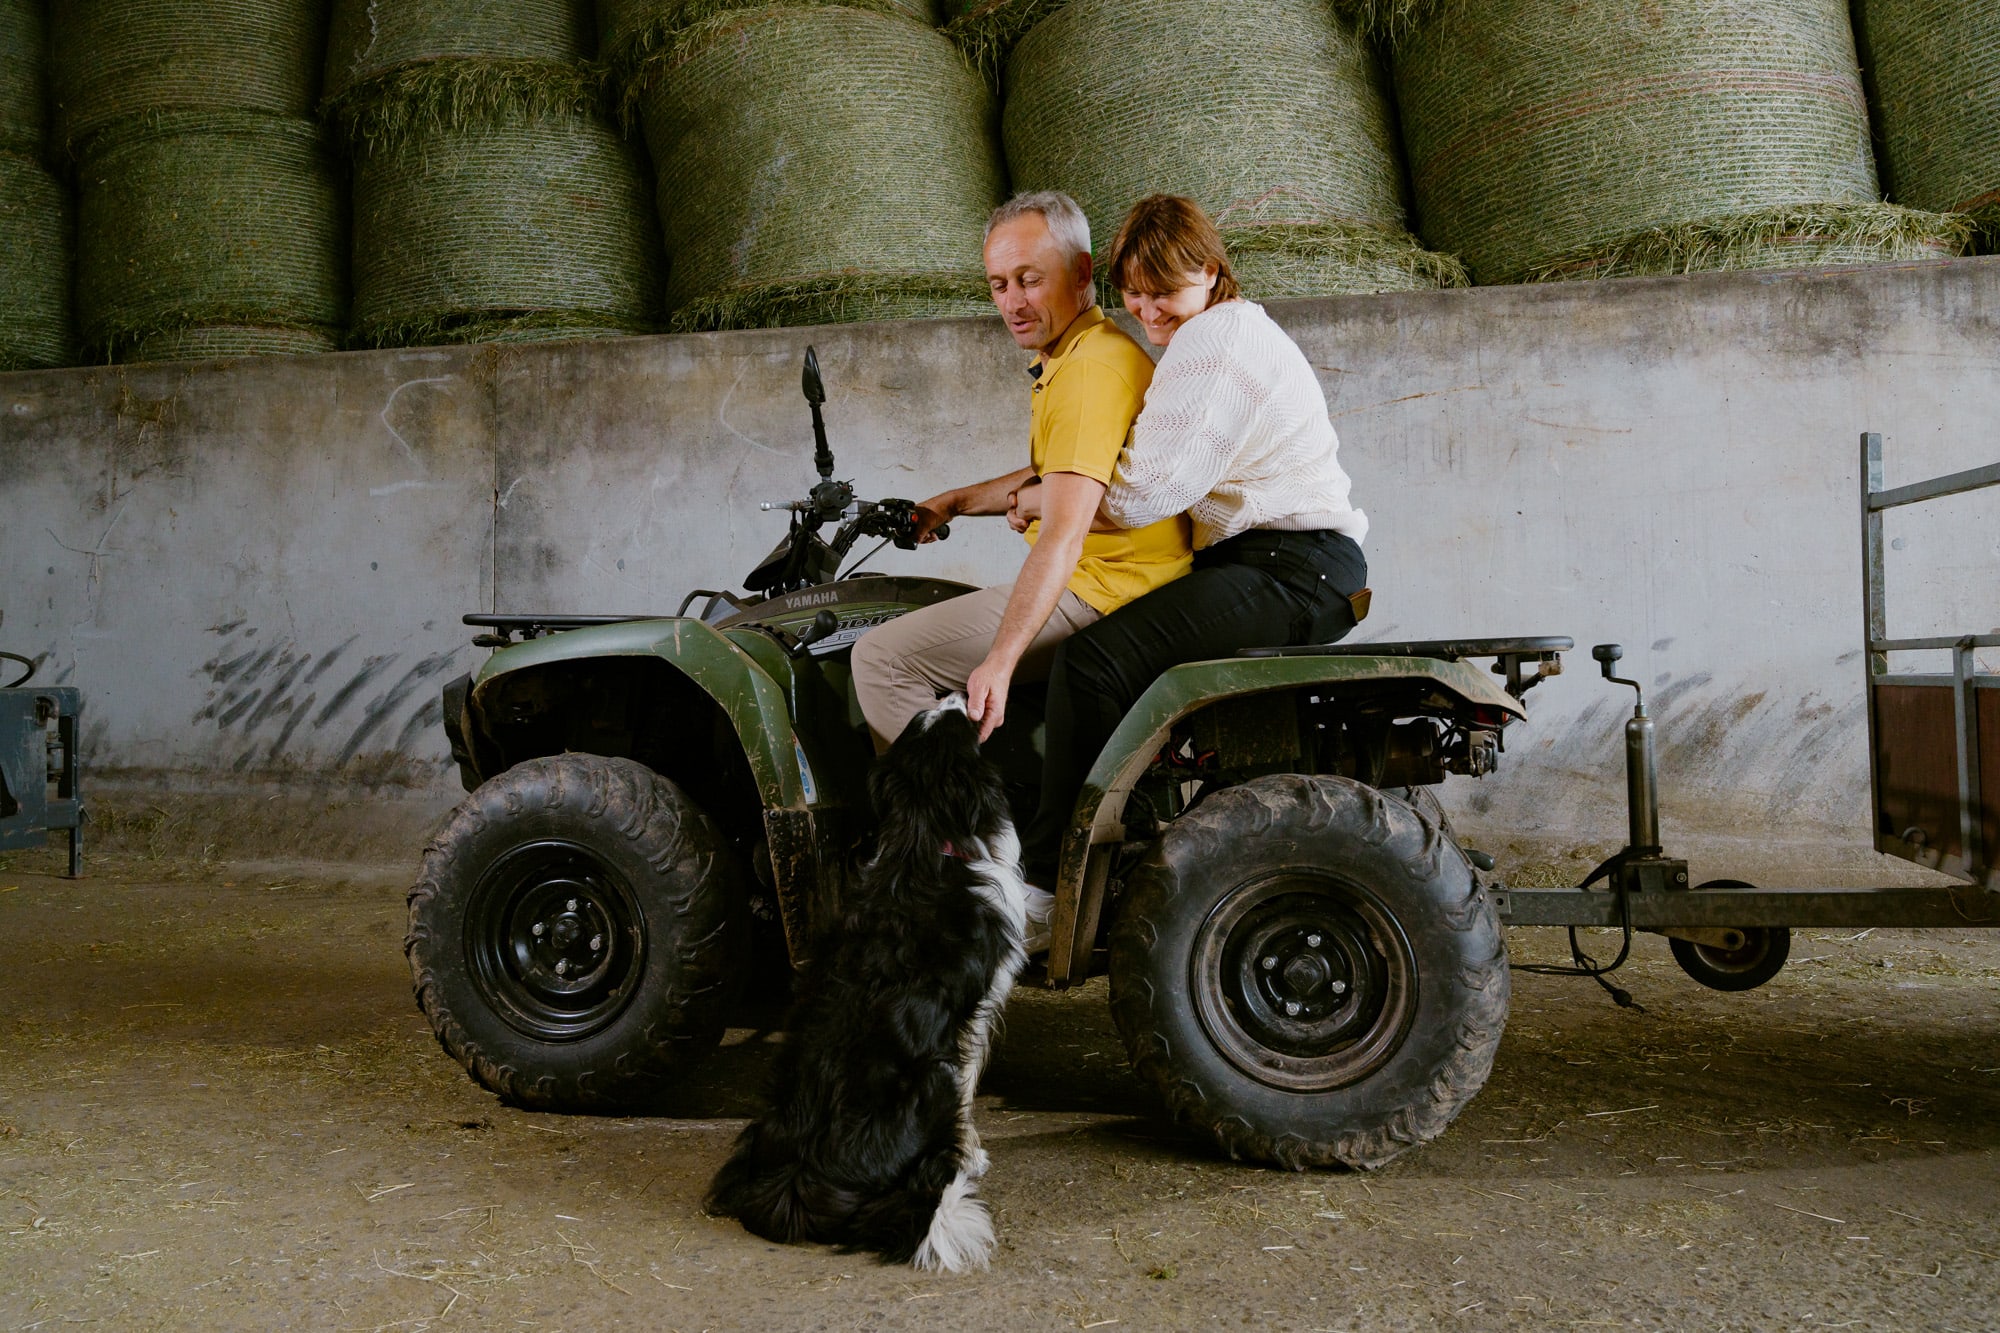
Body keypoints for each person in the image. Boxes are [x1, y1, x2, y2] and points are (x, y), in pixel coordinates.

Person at [1011, 194, 1370, 891]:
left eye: (1163, 292)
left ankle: (1054, 883)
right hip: (1286, 564)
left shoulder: (1214, 342)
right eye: (1134, 294)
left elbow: (1139, 494)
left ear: (1209, 271)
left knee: (1090, 666)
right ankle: (1125, 840)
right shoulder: (1222, 333)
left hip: (1290, 567)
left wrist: (1033, 503)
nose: (1147, 312)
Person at [850, 192, 1192, 758]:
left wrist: (1000, 663)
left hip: (1104, 589)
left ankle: (944, 816)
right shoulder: (1079, 354)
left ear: (1080, 273)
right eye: (999, 284)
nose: (1013, 303)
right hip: (1109, 579)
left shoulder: (1089, 372)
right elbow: (1058, 471)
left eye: (1030, 280)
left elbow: (1063, 534)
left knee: (882, 658)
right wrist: (953, 503)